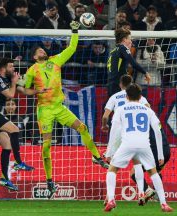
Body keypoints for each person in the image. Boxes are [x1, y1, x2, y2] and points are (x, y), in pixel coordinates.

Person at [17, 21, 109, 198]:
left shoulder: (55, 61)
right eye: (39, 51)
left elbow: (72, 48)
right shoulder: (31, 70)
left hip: (59, 107)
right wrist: (36, 90)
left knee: (82, 127)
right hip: (44, 110)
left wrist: (74, 30)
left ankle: (97, 157)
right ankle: (50, 180)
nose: (43, 51)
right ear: (35, 57)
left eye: (43, 50)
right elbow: (23, 90)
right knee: (46, 146)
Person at [102, 75, 171, 204]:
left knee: (113, 167)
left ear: (121, 85)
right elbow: (150, 112)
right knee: (139, 164)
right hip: (141, 136)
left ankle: (110, 197)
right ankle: (146, 194)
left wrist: (104, 127)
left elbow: (106, 116)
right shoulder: (143, 102)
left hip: (123, 133)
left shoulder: (114, 97)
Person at [0, 57, 34, 191]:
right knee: (15, 130)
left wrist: (39, 91)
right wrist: (15, 83)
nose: (13, 69)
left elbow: (22, 90)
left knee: (7, 145)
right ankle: (18, 162)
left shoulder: (5, 79)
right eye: (11, 66)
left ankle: (4, 178)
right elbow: (11, 94)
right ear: (3, 68)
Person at [107, 28, 151, 97]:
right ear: (124, 39)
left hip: (111, 83)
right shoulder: (123, 48)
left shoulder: (114, 51)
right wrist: (145, 72)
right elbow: (133, 62)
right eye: (130, 39)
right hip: (118, 84)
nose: (131, 42)